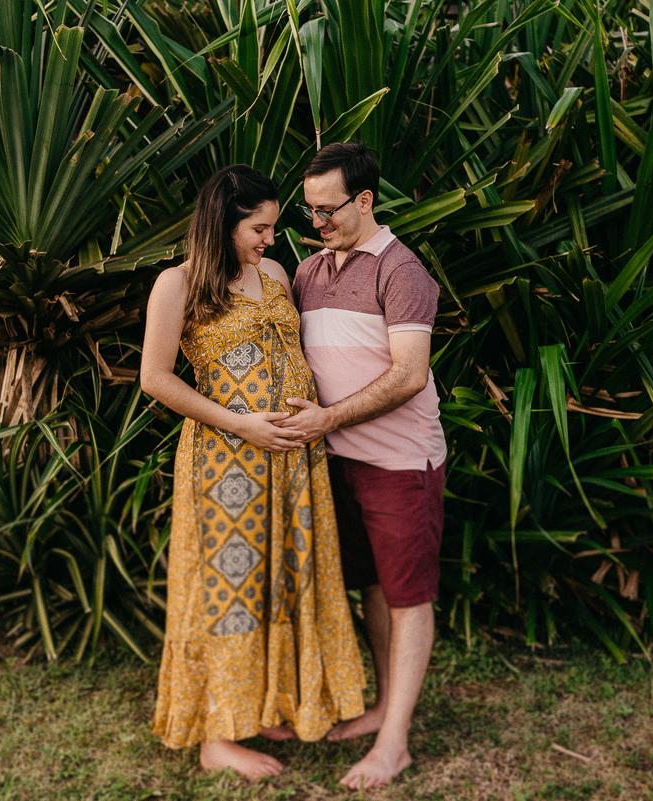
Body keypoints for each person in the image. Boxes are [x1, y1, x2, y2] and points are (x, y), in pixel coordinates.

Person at [142, 165, 365, 781]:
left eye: (272, 227)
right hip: (226, 465)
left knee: (285, 578)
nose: (272, 240)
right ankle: (218, 735)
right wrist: (242, 425)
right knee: (229, 592)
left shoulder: (273, 275)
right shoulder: (179, 284)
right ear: (224, 221)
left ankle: (266, 701)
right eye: (259, 228)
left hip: (293, 459)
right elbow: (155, 378)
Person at [280, 143, 447, 790]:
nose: (316, 222)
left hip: (400, 462)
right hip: (335, 463)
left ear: (366, 199)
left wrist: (326, 419)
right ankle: (381, 706)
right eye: (309, 209)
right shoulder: (310, 269)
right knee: (373, 587)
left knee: (408, 597)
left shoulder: (402, 271)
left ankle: (395, 742)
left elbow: (408, 376)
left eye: (328, 210)